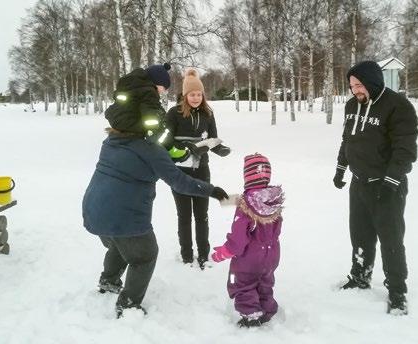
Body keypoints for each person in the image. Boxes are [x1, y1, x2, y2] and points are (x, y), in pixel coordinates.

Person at [82, 63, 229, 318]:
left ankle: (108, 280)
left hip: (94, 209)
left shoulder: (112, 140)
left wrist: (174, 149)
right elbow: (179, 180)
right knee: (145, 255)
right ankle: (128, 306)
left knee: (120, 244)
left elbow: (159, 151)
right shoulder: (149, 148)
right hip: (124, 216)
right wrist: (213, 191)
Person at [333, 60, 418, 315]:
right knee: (360, 234)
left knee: (391, 239)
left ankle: (397, 291)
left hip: (386, 186)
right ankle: (360, 275)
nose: (355, 90)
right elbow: (347, 139)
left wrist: (391, 181)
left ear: (372, 82)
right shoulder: (352, 105)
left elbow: (405, 149)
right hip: (359, 183)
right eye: (351, 86)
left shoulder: (398, 106)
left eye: (359, 85)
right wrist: (340, 168)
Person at [165, 68, 231, 269]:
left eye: (199, 94)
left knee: (201, 215)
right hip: (180, 172)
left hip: (202, 169)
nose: (195, 97)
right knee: (184, 216)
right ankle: (186, 255)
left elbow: (213, 138)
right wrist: (183, 149)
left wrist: (220, 148)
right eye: (192, 94)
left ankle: (203, 255)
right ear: (185, 95)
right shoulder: (173, 113)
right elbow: (165, 142)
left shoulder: (208, 113)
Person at [211, 153, 284, 328]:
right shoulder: (273, 201)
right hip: (271, 255)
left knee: (242, 284)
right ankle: (267, 309)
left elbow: (238, 240)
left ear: (247, 177)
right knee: (264, 281)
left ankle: (251, 316)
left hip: (249, 259)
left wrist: (223, 252)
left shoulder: (245, 206)